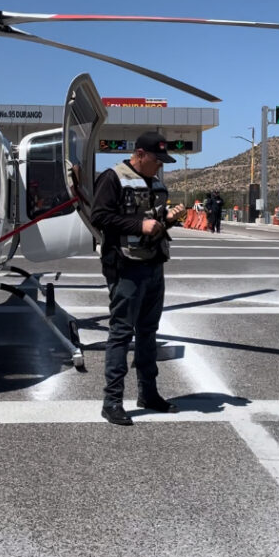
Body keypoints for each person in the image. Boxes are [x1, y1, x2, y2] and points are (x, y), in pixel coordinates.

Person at [91, 131, 186, 426]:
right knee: (121, 333)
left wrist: (167, 219)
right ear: (140, 154)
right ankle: (112, 402)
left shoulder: (156, 182)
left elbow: (153, 219)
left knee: (148, 332)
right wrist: (138, 225)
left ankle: (148, 393)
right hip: (126, 266)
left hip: (154, 265)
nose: (160, 166)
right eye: (157, 160)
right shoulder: (113, 178)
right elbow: (99, 216)